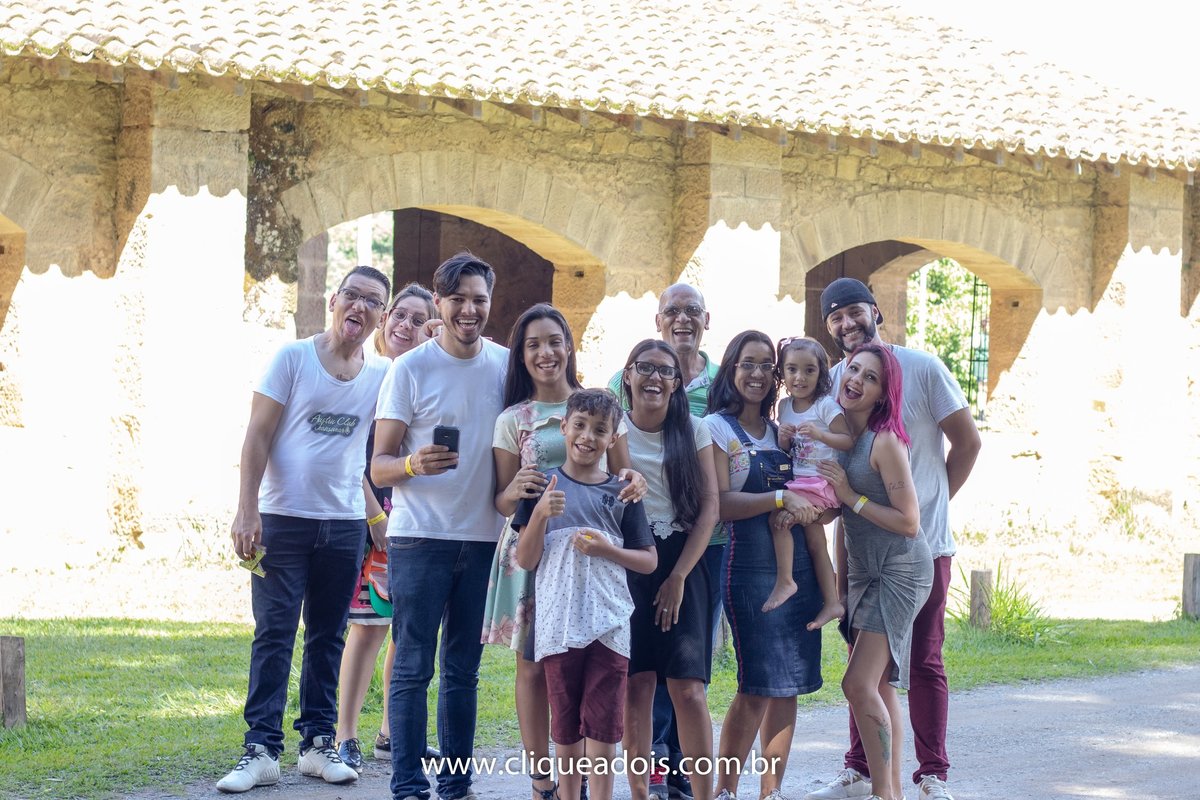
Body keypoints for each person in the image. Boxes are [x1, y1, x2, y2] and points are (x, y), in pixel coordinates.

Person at [218, 266, 392, 793]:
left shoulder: (382, 374)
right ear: (334, 300)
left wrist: (373, 519)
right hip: (281, 520)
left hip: (343, 525)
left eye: (372, 302)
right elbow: (256, 436)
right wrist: (247, 510)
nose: (359, 307)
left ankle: (318, 745)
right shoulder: (292, 358)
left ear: (381, 316)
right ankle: (260, 751)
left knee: (328, 635)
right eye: (352, 296)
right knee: (274, 633)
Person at [807, 278, 981, 800]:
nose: (846, 323)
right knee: (867, 670)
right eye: (835, 317)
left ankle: (932, 775)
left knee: (922, 661)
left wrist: (928, 506)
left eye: (854, 311)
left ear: (876, 311)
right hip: (862, 551)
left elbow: (968, 443)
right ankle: (864, 774)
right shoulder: (833, 383)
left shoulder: (921, 368)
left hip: (918, 545)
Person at [481, 303, 646, 800]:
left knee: (583, 662)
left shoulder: (598, 407)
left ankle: (582, 780)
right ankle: (542, 781)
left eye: (554, 341)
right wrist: (517, 491)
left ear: (569, 346)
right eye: (533, 344)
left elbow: (623, 475)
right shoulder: (513, 419)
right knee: (534, 665)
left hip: (589, 556)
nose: (545, 352)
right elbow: (501, 499)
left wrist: (636, 479)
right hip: (532, 549)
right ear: (521, 354)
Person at [372, 253, 508, 800]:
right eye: (457, 299)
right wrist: (412, 464)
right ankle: (408, 784)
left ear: (490, 303)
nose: (468, 310)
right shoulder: (410, 369)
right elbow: (379, 465)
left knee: (463, 670)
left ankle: (456, 784)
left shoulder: (506, 366)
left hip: (484, 538)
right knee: (411, 666)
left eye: (479, 299)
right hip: (419, 538)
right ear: (439, 302)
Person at [607, 283, 722, 799]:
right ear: (627, 377)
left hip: (682, 564)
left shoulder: (695, 431)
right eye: (645, 368)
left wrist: (677, 577)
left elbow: (710, 509)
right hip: (628, 561)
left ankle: (702, 793)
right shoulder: (613, 431)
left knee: (688, 688)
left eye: (665, 371)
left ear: (677, 383)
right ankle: (640, 793)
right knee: (636, 686)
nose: (654, 377)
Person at [514, 389, 657, 800]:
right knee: (565, 726)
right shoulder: (541, 486)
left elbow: (648, 561)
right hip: (558, 628)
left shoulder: (622, 492)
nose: (587, 437)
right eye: (579, 425)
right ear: (564, 427)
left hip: (609, 627)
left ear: (613, 438)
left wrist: (607, 550)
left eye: (599, 430)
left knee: (603, 727)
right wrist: (541, 514)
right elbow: (526, 559)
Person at [703, 330, 824, 800]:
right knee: (756, 685)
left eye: (765, 366)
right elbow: (720, 505)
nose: (757, 374)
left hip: (798, 570)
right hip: (749, 570)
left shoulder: (781, 431)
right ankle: (726, 791)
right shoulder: (714, 428)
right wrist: (778, 497)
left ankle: (770, 792)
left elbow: (812, 489)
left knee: (787, 684)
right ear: (731, 369)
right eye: (747, 364)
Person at [816, 343, 932, 800]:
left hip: (901, 571)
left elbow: (909, 521)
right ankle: (892, 792)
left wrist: (851, 496)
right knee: (879, 687)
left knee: (857, 683)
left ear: (884, 394)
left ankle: (884, 793)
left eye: (870, 378)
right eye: (854, 370)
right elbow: (841, 516)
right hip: (867, 572)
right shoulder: (843, 435)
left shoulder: (885, 441)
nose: (856, 381)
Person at [335, 283, 436, 771]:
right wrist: (375, 515)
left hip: (417, 519)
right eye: (400, 314)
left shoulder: (427, 378)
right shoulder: (367, 375)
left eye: (419, 321)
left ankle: (393, 734)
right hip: (370, 515)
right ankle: (345, 735)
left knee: (406, 631)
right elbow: (348, 456)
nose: (405, 326)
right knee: (368, 627)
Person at [764, 337, 852, 621]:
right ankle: (832, 601)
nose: (799, 377)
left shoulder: (825, 406)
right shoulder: (785, 406)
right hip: (799, 481)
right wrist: (783, 438)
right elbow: (788, 450)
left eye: (809, 370)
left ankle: (785, 580)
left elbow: (847, 439)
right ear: (782, 372)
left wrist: (821, 435)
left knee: (779, 519)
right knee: (815, 542)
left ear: (821, 373)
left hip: (820, 481)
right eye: (792, 369)